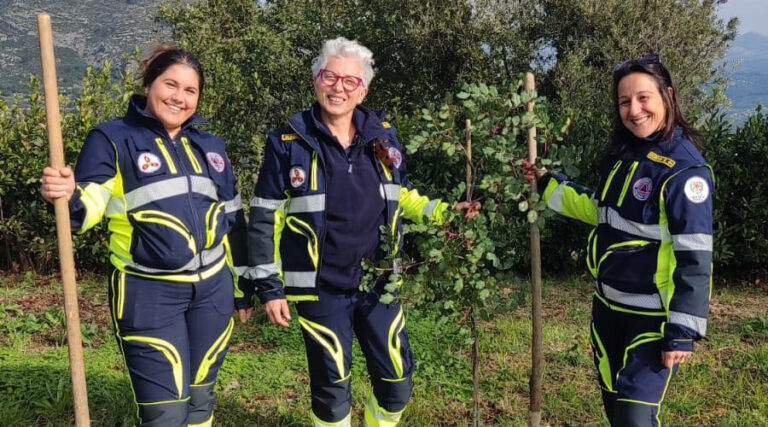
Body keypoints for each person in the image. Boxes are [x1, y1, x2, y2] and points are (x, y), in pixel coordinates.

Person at [242, 37, 479, 427]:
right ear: (316, 80)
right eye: (330, 76)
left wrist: (445, 214)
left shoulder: (382, 135)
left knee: (397, 383)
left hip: (379, 283)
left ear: (363, 90)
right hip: (320, 287)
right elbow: (266, 216)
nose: (338, 87)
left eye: (349, 81)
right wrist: (270, 286)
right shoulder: (288, 142)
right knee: (332, 390)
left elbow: (401, 196)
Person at [40, 44, 252, 426]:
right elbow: (87, 209)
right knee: (165, 414)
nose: (179, 97)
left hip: (213, 292)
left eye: (190, 90)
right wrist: (67, 195)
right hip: (148, 293)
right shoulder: (112, 139)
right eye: (171, 84)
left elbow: (232, 220)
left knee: (201, 398)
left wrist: (244, 288)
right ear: (149, 83)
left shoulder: (211, 146)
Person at [524, 54, 713, 426]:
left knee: (634, 420)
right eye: (625, 102)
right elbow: (600, 210)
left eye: (644, 98)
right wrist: (546, 185)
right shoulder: (625, 155)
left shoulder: (687, 173)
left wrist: (682, 331)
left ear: (668, 97)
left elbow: (695, 257)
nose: (634, 110)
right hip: (607, 314)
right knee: (616, 412)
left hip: (652, 323)